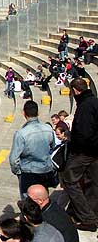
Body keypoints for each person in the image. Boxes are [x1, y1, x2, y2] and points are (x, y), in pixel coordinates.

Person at [61, 78, 98, 232]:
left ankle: (88, 217)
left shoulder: (85, 107)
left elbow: (84, 133)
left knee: (69, 180)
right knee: (93, 183)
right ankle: (92, 214)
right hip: (95, 151)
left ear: (75, 91)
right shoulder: (95, 101)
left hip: (84, 152)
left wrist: (73, 141)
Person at [9, 100, 55, 199]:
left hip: (29, 172)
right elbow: (52, 147)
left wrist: (18, 172)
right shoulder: (48, 128)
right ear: (38, 113)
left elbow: (13, 159)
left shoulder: (21, 133)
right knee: (43, 198)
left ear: (24, 113)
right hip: (45, 171)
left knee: (29, 201)